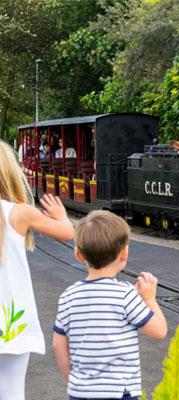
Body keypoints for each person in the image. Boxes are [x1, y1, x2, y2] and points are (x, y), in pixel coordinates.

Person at [52, 210, 168, 400]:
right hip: (119, 393)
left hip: (80, 392)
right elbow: (159, 331)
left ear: (78, 254)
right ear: (123, 255)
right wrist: (149, 299)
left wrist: (73, 379)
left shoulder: (68, 296)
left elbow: (58, 345)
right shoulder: (125, 295)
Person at [0, 139, 74, 400]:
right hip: (12, 320)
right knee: (11, 391)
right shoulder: (20, 213)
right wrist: (61, 215)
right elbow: (67, 232)